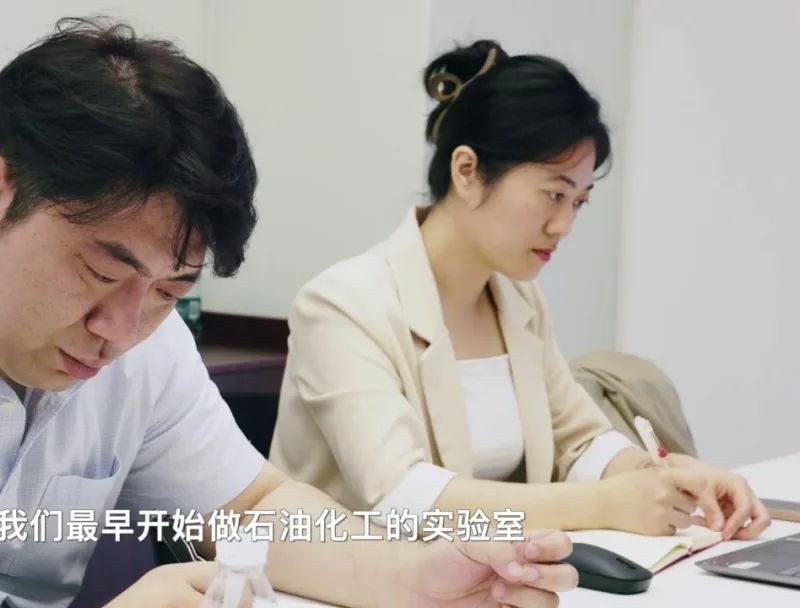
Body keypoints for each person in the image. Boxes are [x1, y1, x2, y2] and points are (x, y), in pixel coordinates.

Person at [0, 20, 576, 608]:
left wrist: (409, 575)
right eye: (101, 271)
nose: (122, 333)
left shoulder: (136, 332)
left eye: (171, 293)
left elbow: (249, 509)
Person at [269, 40, 771, 541]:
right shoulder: (342, 306)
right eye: (553, 195)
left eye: (578, 202)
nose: (564, 225)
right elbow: (401, 496)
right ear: (467, 172)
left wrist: (663, 476)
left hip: (481, 571)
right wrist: (605, 503)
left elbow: (581, 442)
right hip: (344, 571)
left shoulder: (517, 299)